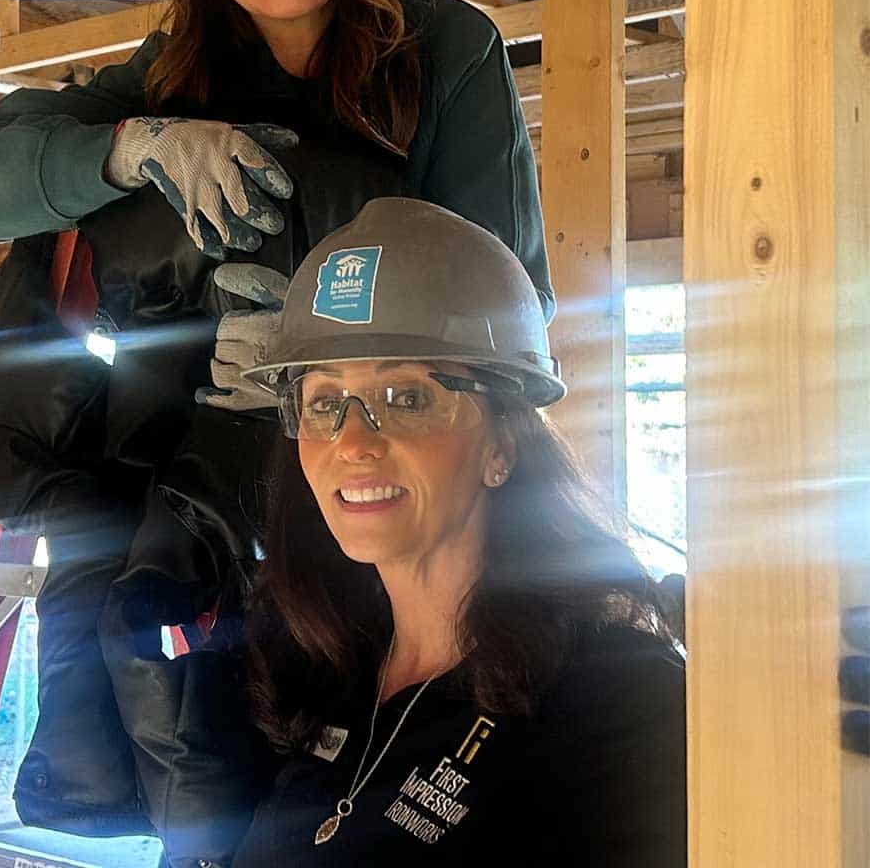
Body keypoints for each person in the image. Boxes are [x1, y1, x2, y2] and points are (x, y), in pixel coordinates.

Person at [0, 0, 557, 840]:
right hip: (226, 491)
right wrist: (127, 147)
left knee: (366, 776)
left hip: (386, 482)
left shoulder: (447, 50)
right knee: (215, 784)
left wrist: (320, 340)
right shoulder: (177, 74)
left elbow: (511, 292)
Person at [210, 197, 686, 866]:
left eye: (406, 397)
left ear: (503, 446)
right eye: (323, 402)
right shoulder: (321, 667)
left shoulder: (615, 698)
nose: (350, 442)